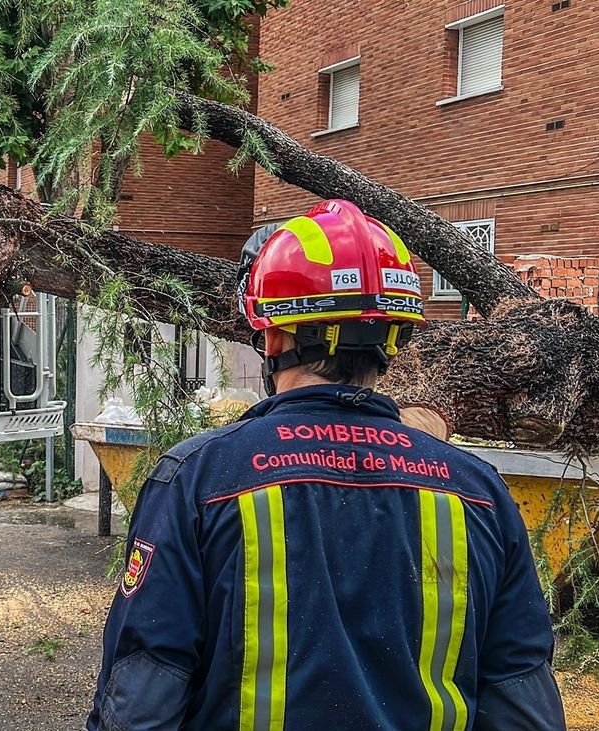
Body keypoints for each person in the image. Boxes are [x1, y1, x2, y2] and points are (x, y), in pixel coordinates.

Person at [87, 200, 565, 731]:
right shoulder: (477, 492)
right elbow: (522, 697)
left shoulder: (200, 480)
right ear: (395, 340)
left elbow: (144, 693)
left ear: (273, 337)